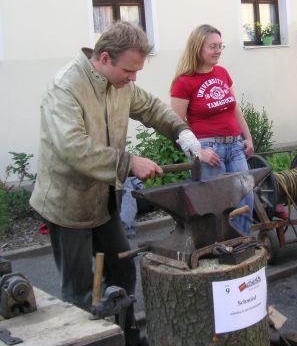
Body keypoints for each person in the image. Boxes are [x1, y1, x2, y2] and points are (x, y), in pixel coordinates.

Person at [29, 22, 202, 346]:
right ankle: (87, 338)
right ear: (104, 58)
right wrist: (127, 162)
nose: (133, 78)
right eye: (129, 70)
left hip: (103, 201)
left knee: (122, 268)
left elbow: (150, 108)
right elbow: (73, 147)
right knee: (80, 290)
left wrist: (182, 132)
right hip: (68, 207)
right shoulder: (65, 87)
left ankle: (126, 336)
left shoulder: (120, 84)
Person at [170, 24, 255, 234]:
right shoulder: (184, 82)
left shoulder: (222, 73)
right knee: (218, 205)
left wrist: (248, 137)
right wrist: (199, 152)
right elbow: (176, 125)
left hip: (235, 146)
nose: (218, 51)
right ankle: (220, 250)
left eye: (220, 46)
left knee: (246, 199)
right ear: (198, 48)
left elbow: (235, 108)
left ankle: (241, 245)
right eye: (212, 46)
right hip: (209, 150)